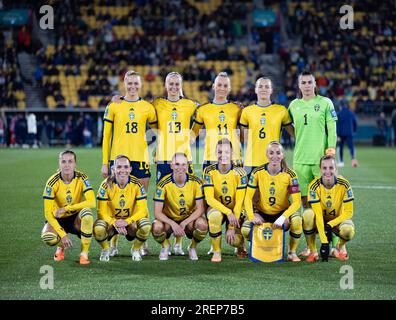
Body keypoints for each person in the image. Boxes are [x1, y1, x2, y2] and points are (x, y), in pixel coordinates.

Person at [102, 70, 157, 257]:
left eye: (136, 83)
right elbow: (106, 136)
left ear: (140, 85)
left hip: (141, 159)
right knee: (114, 201)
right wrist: (104, 162)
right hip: (118, 159)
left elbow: (159, 131)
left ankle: (143, 242)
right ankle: (114, 243)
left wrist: (155, 152)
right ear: (124, 83)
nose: (133, 86)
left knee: (141, 201)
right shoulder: (114, 105)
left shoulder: (147, 107)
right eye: (130, 83)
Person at [288, 70, 338, 258]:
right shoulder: (294, 105)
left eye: (310, 82)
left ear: (315, 84)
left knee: (327, 204)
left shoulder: (325, 103)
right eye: (304, 82)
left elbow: (332, 127)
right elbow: (287, 126)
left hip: (320, 162)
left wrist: (330, 150)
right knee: (305, 205)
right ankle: (311, 248)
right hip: (300, 160)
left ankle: (333, 244)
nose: (307, 85)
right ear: (299, 85)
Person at [152, 72, 198, 255]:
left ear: (181, 85)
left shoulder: (190, 104)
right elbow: (137, 107)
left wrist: (192, 135)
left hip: (184, 159)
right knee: (163, 203)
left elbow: (207, 112)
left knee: (186, 200)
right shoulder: (157, 103)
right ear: (165, 85)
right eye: (170, 84)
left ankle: (179, 243)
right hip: (163, 158)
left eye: (176, 83)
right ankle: (166, 243)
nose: (173, 86)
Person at [242, 141, 303, 262]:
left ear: (282, 155)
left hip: (282, 213)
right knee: (245, 229)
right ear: (266, 154)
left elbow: (297, 202)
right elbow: (248, 198)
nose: (275, 156)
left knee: (296, 221)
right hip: (262, 212)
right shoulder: (257, 172)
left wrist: (283, 217)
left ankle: (292, 252)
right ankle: (258, 246)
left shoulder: (291, 175)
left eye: (278, 153)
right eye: (271, 153)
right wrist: (251, 216)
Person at [40, 150, 95, 265]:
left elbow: (91, 202)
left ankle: (84, 254)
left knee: (88, 215)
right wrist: (63, 235)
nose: (67, 165)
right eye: (63, 161)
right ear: (59, 164)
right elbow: (47, 213)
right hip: (58, 218)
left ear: (75, 164)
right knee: (48, 237)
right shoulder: (52, 182)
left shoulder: (82, 178)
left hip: (75, 217)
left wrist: (66, 208)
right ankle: (60, 247)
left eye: (70, 161)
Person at [93, 155, 152, 262]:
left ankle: (135, 249)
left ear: (130, 169)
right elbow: (100, 211)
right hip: (112, 223)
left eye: (125, 167)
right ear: (113, 169)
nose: (122, 170)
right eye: (119, 167)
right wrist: (114, 222)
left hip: (130, 224)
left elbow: (143, 210)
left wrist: (127, 221)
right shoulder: (105, 185)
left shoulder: (137, 184)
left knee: (146, 226)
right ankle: (106, 249)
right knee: (98, 228)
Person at [152, 153, 208, 261]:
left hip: (188, 221)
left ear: (187, 166)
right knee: (156, 227)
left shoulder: (196, 182)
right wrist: (173, 224)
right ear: (171, 166)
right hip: (169, 220)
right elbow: (157, 213)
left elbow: (200, 209)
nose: (180, 168)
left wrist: (184, 223)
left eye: (183, 164)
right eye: (177, 164)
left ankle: (192, 247)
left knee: (203, 224)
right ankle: (165, 246)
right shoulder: (163, 184)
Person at [203, 138, 247, 262]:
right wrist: (228, 212)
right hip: (218, 208)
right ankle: (217, 251)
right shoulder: (209, 171)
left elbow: (239, 202)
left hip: (235, 210)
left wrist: (232, 227)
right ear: (215, 153)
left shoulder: (240, 173)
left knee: (235, 240)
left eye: (227, 152)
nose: (223, 155)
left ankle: (240, 245)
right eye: (220, 152)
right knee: (215, 216)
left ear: (232, 154)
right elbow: (210, 199)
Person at [239, 77, 294, 176]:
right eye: (260, 86)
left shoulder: (281, 110)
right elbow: (244, 138)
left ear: (271, 90)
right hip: (251, 163)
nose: (263, 89)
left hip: (273, 163)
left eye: (266, 86)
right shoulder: (247, 111)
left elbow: (295, 134)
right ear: (255, 89)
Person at [305, 155, 355, 262]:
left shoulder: (344, 184)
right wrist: (324, 242)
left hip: (337, 221)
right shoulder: (313, 186)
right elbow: (318, 214)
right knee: (307, 215)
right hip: (321, 221)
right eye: (324, 168)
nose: (328, 171)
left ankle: (338, 247)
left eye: (331, 168)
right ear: (320, 169)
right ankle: (313, 252)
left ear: (336, 169)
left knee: (348, 230)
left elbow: (349, 213)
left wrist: (331, 224)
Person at [191, 72, 243, 172]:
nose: (222, 88)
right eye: (219, 85)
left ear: (229, 88)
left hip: (234, 158)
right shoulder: (203, 109)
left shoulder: (237, 108)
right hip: (211, 158)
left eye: (225, 85)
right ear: (214, 86)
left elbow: (243, 136)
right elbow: (192, 135)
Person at [336, 102, 358, 167]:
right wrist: (354, 130)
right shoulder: (351, 113)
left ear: (340, 106)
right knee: (351, 147)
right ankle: (353, 160)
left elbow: (338, 125)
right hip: (349, 132)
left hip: (341, 133)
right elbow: (355, 122)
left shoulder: (339, 113)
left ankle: (341, 162)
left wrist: (338, 135)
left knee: (340, 147)